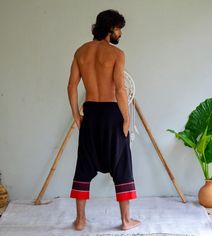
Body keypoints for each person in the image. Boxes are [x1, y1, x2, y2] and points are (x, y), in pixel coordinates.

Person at [67, 9, 141, 231]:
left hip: (90, 114)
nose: (120, 33)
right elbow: (119, 89)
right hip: (111, 114)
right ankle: (126, 221)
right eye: (118, 28)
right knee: (122, 164)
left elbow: (71, 86)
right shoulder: (117, 55)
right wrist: (126, 120)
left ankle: (80, 220)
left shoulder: (81, 52)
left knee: (84, 164)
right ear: (110, 28)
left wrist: (76, 116)